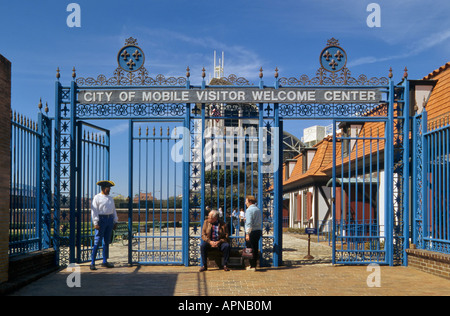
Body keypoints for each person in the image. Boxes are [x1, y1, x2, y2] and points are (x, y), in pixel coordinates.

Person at [90, 180, 119, 270]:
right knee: (97, 241)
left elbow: (113, 210)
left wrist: (115, 221)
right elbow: (94, 211)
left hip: (109, 220)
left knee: (106, 241)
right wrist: (95, 222)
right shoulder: (97, 198)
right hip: (101, 220)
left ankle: (105, 261)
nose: (109, 190)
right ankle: (92, 262)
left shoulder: (110, 198)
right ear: (103, 188)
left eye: (109, 188)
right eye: (108, 188)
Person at [244, 195, 262, 271]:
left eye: (246, 201)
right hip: (258, 230)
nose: (245, 202)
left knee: (249, 248)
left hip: (251, 231)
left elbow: (249, 223)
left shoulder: (249, 210)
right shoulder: (258, 209)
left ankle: (251, 265)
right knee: (255, 248)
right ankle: (254, 264)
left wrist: (247, 233)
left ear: (250, 201)